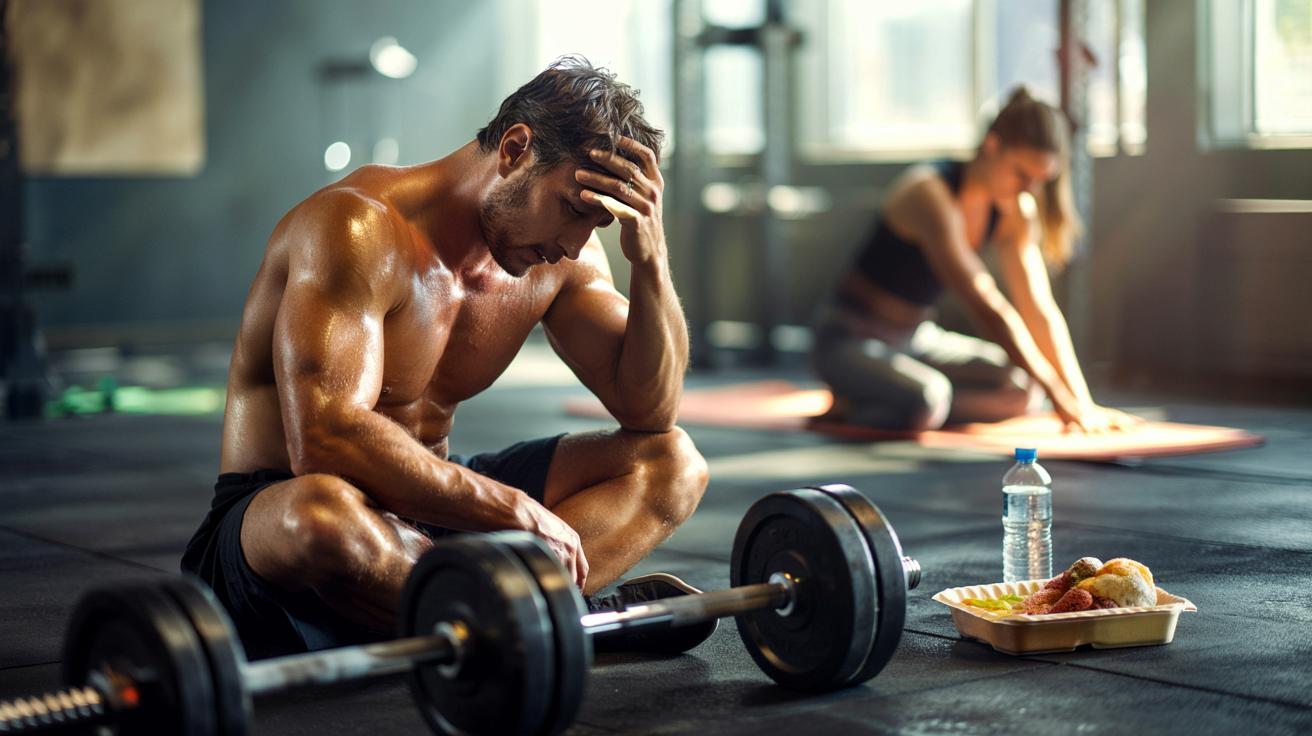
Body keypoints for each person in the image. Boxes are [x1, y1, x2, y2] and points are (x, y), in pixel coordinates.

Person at [181, 57, 711, 659]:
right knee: (319, 516)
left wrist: (652, 262)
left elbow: (651, 410)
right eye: (571, 208)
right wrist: (516, 512)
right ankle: (545, 617)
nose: (573, 243)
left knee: (672, 464)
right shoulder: (357, 227)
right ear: (515, 149)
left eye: (596, 223)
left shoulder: (559, 261)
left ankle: (494, 614)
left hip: (431, 518)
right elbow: (324, 440)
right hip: (283, 510)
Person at [812, 87, 1138, 433]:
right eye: (1022, 175)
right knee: (925, 400)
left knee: (1023, 390)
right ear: (992, 146)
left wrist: (1081, 402)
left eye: (1040, 181)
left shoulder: (1014, 210)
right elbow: (987, 308)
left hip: (917, 338)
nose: (1030, 190)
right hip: (850, 339)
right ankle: (868, 400)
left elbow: (1038, 309)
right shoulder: (930, 194)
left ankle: (888, 396)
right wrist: (1059, 397)